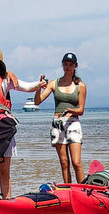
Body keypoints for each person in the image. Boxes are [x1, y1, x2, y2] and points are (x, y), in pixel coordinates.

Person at [0, 46, 44, 214]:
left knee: (4, 172)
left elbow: (27, 87)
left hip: (2, 128)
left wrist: (39, 84)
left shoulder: (5, 80)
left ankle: (8, 208)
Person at [34, 52, 87, 183]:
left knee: (76, 162)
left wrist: (70, 110)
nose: (68, 67)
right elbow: (37, 101)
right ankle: (68, 189)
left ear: (75, 66)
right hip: (57, 124)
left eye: (71, 65)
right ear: (62, 65)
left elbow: (81, 110)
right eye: (65, 64)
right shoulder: (54, 83)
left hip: (73, 123)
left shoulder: (80, 86)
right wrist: (38, 87)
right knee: (64, 162)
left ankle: (84, 189)